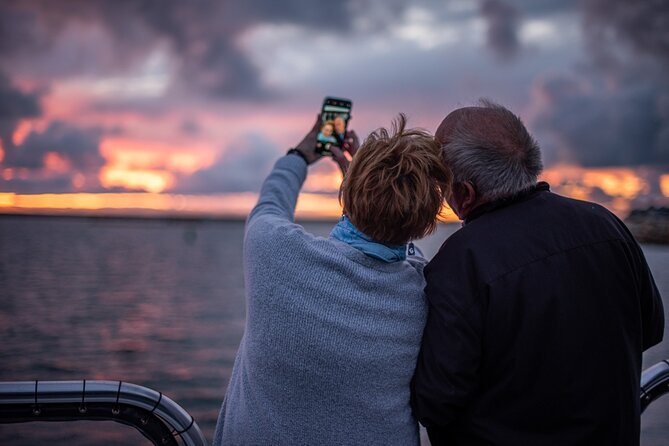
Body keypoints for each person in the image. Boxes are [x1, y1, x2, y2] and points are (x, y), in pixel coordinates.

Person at [411, 100, 665, 446]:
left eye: (441, 181)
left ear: (465, 193)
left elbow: (435, 402)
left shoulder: (461, 261)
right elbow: (649, 329)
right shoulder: (606, 225)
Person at [213, 114, 451, 445]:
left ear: (346, 193)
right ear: (427, 220)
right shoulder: (426, 293)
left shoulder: (274, 250)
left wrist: (301, 154)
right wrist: (362, 191)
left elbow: (272, 201)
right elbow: (402, 245)